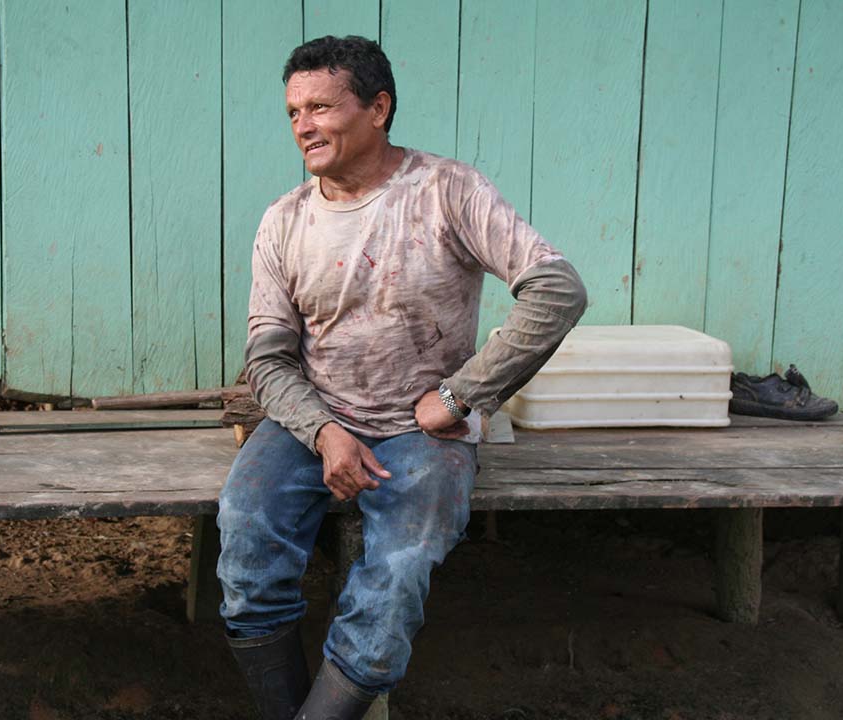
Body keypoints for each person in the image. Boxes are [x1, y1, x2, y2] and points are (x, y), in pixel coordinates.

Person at [216, 35, 587, 719]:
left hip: (420, 432)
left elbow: (557, 290)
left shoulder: (447, 192)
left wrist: (461, 396)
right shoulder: (285, 221)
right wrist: (325, 431)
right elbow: (268, 360)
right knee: (244, 543)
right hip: (312, 419)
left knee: (394, 581)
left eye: (322, 106)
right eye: (294, 111)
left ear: (378, 107)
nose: (303, 125)